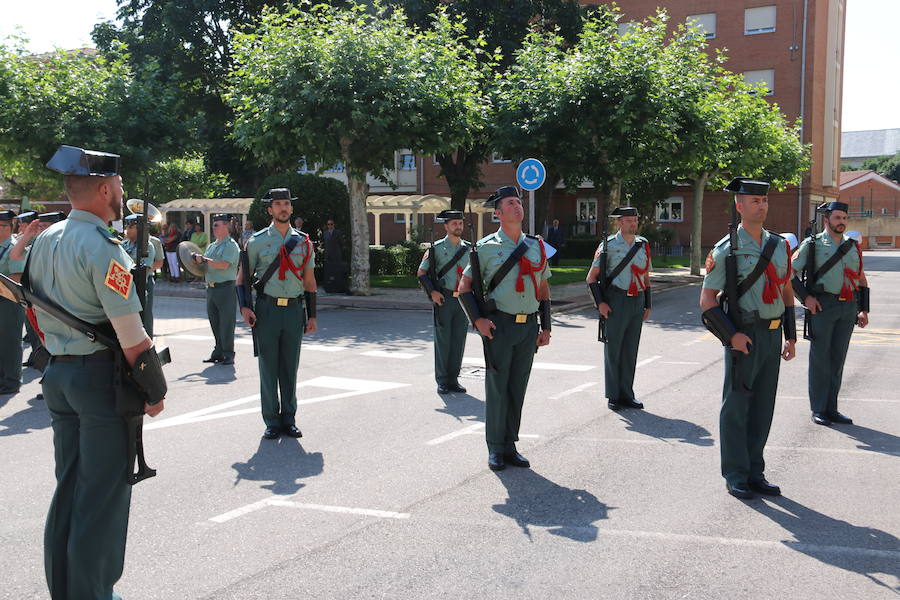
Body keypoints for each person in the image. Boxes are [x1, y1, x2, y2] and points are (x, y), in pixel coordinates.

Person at [27, 145, 165, 599]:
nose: (123, 192)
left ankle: (66, 590)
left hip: (60, 377)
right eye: (120, 185)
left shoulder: (46, 238)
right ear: (104, 188)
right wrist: (154, 387)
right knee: (102, 498)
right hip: (100, 383)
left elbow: (30, 307)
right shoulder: (103, 246)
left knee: (69, 487)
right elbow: (131, 334)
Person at [699, 178, 796, 500]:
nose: (762, 205)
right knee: (737, 407)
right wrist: (732, 337)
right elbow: (708, 300)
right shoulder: (727, 249)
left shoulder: (780, 246)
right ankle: (736, 474)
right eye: (754, 201)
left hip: (772, 334)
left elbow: (785, 291)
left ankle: (756, 471)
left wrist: (791, 336)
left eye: (764, 200)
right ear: (739, 206)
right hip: (745, 336)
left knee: (763, 408)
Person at [457, 186, 552, 471]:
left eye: (518, 202)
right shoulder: (484, 248)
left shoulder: (536, 246)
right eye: (510, 203)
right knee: (498, 387)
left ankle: (511, 445)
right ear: (498, 213)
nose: (517, 206)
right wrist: (478, 321)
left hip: (527, 328)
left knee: (517, 388)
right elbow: (464, 288)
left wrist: (545, 326)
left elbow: (544, 288)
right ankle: (495, 448)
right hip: (500, 326)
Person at [238, 188, 318, 439]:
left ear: (291, 209)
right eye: (278, 204)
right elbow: (242, 279)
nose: (283, 208)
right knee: (268, 367)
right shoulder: (256, 241)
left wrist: (312, 315)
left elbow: (310, 282)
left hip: (294, 310)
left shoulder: (304, 242)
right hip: (267, 310)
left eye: (286, 204)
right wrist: (245, 307)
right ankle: (271, 420)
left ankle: (289, 419)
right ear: (270, 210)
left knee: (289, 367)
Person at [791, 201, 869, 426]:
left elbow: (861, 279)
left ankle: (832, 408)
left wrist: (863, 309)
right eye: (837, 218)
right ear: (827, 220)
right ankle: (818, 408)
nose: (841, 222)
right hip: (823, 306)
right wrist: (806, 298)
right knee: (821, 359)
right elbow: (789, 272)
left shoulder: (853, 246)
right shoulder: (812, 244)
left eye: (844, 218)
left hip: (848, 307)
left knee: (837, 359)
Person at [586, 206, 652, 411]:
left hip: (637, 300)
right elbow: (591, 278)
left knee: (630, 350)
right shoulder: (608, 246)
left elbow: (646, 277)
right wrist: (601, 303)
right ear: (619, 223)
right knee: (614, 349)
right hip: (616, 300)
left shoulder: (643, 244)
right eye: (629, 220)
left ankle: (627, 394)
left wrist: (648, 303)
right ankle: (613, 395)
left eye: (635, 220)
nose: (633, 223)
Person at [416, 209, 470, 394]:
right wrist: (432, 292)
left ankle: (454, 379)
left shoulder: (470, 249)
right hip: (444, 299)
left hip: (463, 300)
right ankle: (442, 381)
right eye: (454, 223)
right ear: (446, 226)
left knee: (458, 340)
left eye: (460, 223)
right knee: (443, 341)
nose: (458, 226)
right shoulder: (435, 248)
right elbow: (422, 273)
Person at [193, 214, 241, 365]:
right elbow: (204, 265)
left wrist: (204, 260)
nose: (213, 228)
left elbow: (224, 264)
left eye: (217, 225)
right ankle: (218, 351)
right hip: (212, 288)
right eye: (214, 225)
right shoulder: (212, 246)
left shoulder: (231, 245)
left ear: (226, 226)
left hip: (226, 288)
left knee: (226, 322)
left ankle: (228, 353)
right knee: (215, 321)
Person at [0, 209, 26, 395]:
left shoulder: (14, 248)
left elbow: (16, 278)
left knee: (9, 341)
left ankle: (11, 381)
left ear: (7, 227)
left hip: (9, 301)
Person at [123, 214, 158, 337]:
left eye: (130, 226)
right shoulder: (124, 244)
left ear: (138, 228)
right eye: (126, 226)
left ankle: (147, 347)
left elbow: (144, 268)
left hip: (142, 284)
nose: (127, 229)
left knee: (145, 317)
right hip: (126, 285)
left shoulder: (147, 246)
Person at [322, 218, 347, 293]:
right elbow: (324, 243)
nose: (330, 226)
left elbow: (341, 243)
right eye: (328, 224)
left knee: (336, 270)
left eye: (331, 224)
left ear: (334, 225)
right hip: (328, 255)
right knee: (329, 271)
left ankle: (337, 285)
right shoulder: (325, 233)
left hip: (336, 254)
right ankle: (329, 285)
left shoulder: (337, 232)